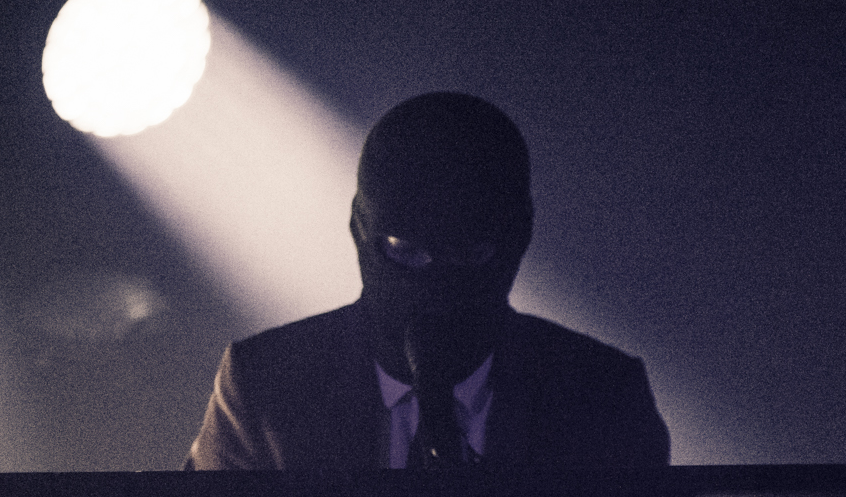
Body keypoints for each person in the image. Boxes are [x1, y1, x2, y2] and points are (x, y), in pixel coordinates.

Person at [185, 91, 670, 469]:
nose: (437, 286)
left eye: (470, 253)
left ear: (518, 238)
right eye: (406, 251)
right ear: (359, 232)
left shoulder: (604, 396)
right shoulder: (266, 383)